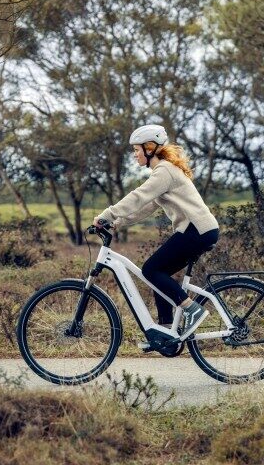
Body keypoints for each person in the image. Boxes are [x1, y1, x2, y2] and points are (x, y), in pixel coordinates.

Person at [94, 124, 219, 342]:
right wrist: (117, 223)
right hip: (199, 230)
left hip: (195, 230)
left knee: (151, 270)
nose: (135, 155)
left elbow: (138, 196)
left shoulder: (164, 170)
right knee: (157, 274)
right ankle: (167, 332)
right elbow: (148, 205)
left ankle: (192, 309)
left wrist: (108, 214)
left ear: (150, 148)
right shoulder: (164, 171)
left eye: (137, 150)